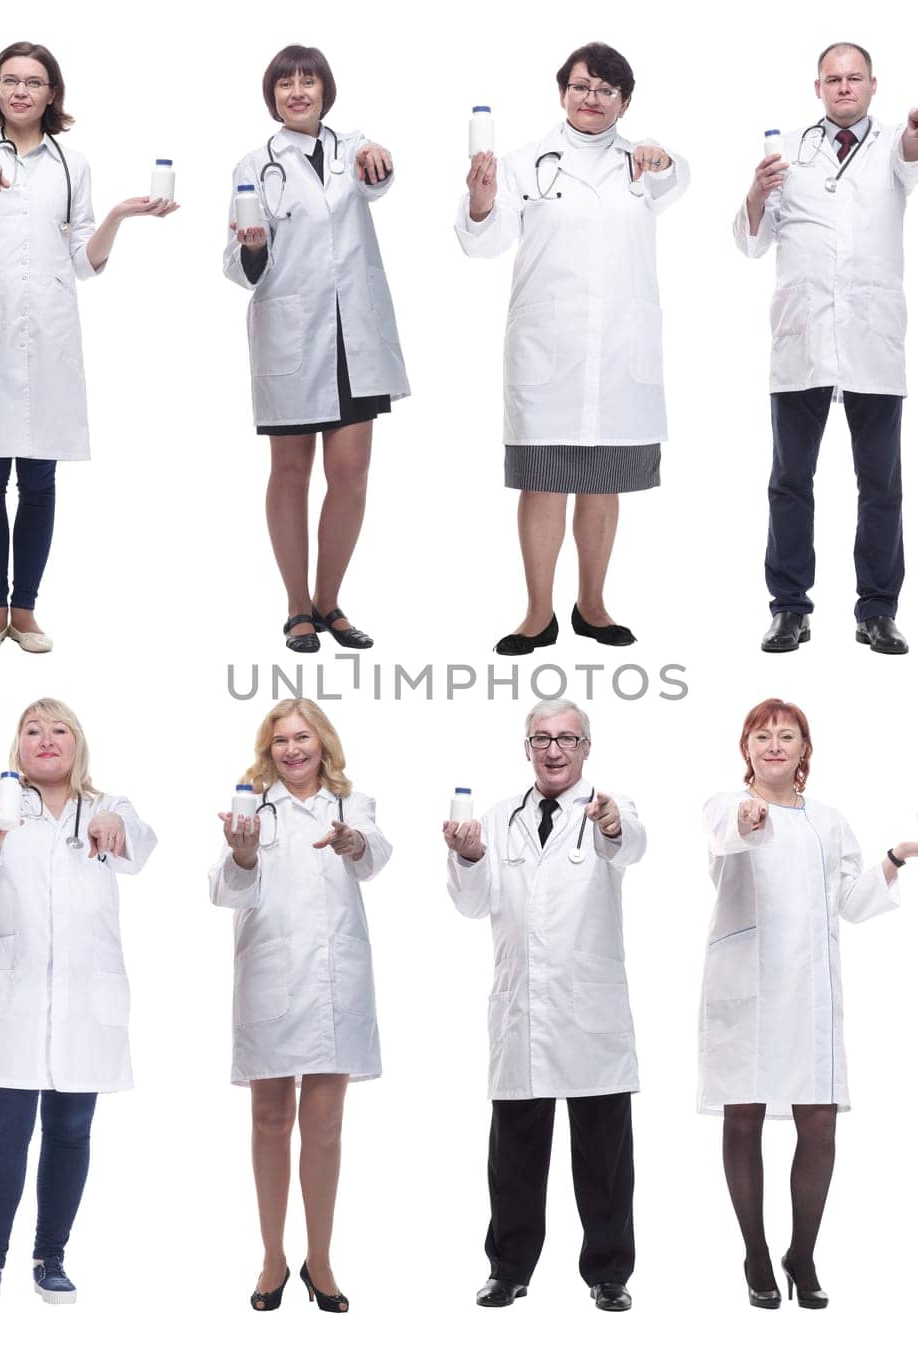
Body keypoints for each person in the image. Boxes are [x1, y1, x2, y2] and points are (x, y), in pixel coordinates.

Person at [700, 698, 918, 1307]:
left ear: (804, 750)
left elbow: (854, 902)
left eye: (787, 736)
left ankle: (802, 1253)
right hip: (747, 987)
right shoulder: (727, 808)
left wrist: (895, 859)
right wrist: (749, 821)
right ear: (747, 749)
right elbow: (728, 836)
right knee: (744, 1115)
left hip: (810, 990)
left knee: (818, 1122)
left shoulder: (830, 821)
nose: (774, 746)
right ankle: (756, 1251)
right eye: (762, 736)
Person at [0, 42, 176, 654]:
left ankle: (28, 610)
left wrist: (119, 217)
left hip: (47, 331)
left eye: (33, 82)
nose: (21, 91)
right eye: (10, 81)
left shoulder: (72, 164)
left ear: (51, 94)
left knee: (39, 478)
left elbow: (83, 261)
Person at [456, 43, 688, 655]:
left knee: (603, 480)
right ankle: (537, 614)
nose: (592, 98)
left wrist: (661, 161)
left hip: (618, 353)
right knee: (544, 483)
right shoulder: (520, 162)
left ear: (625, 102)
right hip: (549, 352)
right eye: (582, 87)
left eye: (606, 90)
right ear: (563, 92)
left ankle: (592, 604)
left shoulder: (646, 165)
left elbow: (675, 177)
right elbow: (482, 243)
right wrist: (481, 200)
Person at [0, 699, 157, 1308]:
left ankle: (51, 1256)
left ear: (77, 744)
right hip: (12, 994)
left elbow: (139, 849)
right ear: (18, 744)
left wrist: (118, 827)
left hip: (83, 996)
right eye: (33, 730)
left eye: (59, 730)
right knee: (3, 1130)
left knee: (71, 1131)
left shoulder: (107, 806)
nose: (46, 739)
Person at [737, 43, 918, 656]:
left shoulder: (891, 144)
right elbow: (752, 240)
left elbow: (912, 162)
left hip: (872, 338)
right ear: (818, 87)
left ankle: (878, 610)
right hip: (801, 338)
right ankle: (789, 609)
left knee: (880, 484)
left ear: (873, 86)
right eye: (834, 79)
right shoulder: (787, 152)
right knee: (790, 482)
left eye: (855, 78)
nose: (844, 87)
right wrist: (755, 188)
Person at [444, 699, 645, 1311]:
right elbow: (472, 904)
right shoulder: (498, 818)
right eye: (541, 739)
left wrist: (611, 824)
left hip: (591, 1013)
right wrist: (470, 855)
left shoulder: (611, 810)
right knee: (515, 1156)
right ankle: (509, 1268)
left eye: (566, 739)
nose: (553, 749)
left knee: (605, 1158)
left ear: (586, 748)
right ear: (526, 748)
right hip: (522, 1008)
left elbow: (631, 846)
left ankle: (609, 1274)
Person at [210, 699, 392, 1312]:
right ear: (269, 748)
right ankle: (271, 1258)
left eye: (303, 738)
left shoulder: (352, 804)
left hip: (335, 980)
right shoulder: (251, 808)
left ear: (323, 744)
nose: (292, 750)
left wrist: (353, 841)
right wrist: (241, 854)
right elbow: (224, 891)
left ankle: (321, 1259)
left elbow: (376, 856)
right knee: (268, 1120)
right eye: (281, 740)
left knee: (326, 1126)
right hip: (270, 975)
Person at [226, 46, 409, 653]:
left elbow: (376, 178)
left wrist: (378, 161)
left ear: (326, 89)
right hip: (293, 333)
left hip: (353, 333)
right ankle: (296, 607)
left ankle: (330, 602)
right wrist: (253, 246)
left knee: (352, 473)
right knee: (290, 472)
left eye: (308, 81)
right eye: (285, 83)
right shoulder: (256, 164)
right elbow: (239, 263)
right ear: (272, 95)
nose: (297, 91)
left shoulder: (354, 148)